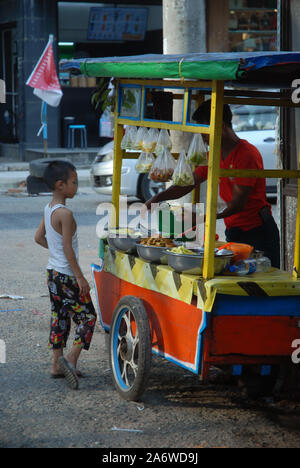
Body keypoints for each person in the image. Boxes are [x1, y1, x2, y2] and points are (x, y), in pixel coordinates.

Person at [145, 99, 280, 268]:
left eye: (205, 131)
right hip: (234, 231)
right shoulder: (211, 156)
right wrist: (158, 197)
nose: (203, 137)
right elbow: (188, 183)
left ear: (221, 126)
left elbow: (237, 204)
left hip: (258, 232)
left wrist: (202, 217)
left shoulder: (246, 155)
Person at [34, 161, 97, 389]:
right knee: (88, 318)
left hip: (52, 273)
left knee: (59, 316)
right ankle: (70, 359)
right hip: (67, 276)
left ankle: (55, 365)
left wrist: (57, 253)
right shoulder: (66, 214)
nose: (76, 186)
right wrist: (80, 278)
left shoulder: (48, 207)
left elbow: (38, 237)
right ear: (61, 185)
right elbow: (68, 250)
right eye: (74, 182)